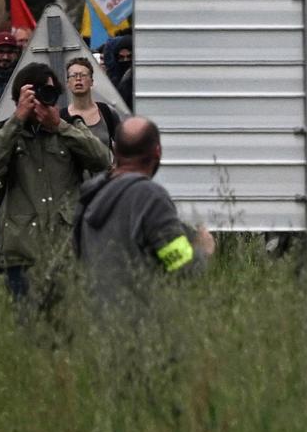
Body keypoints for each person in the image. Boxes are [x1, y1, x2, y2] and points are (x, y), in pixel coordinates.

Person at [0, 62, 112, 303]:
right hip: (22, 251)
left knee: (70, 327)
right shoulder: (6, 132)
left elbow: (102, 160)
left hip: (66, 248)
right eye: (35, 94)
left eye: (48, 93)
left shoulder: (71, 129)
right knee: (29, 327)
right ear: (19, 98)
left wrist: (59, 126)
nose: (42, 100)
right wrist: (17, 119)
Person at [74, 116, 215, 309]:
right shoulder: (151, 198)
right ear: (157, 152)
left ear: (115, 151)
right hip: (136, 326)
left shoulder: (89, 196)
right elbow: (182, 268)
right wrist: (203, 250)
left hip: (91, 325)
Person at [61, 57, 121, 150]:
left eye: (83, 75)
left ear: (91, 81)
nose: (78, 79)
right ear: (68, 83)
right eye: (73, 75)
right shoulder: (62, 117)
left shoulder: (107, 112)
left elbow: (122, 146)